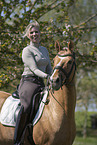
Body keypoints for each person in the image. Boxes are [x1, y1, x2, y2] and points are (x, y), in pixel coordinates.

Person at [14, 20, 52, 145]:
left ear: (40, 33)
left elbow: (49, 68)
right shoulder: (27, 50)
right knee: (27, 106)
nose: (34, 34)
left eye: (36, 31)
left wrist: (54, 78)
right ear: (28, 35)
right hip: (29, 82)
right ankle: (18, 139)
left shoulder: (44, 50)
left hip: (42, 82)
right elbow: (34, 69)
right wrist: (48, 77)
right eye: (32, 32)